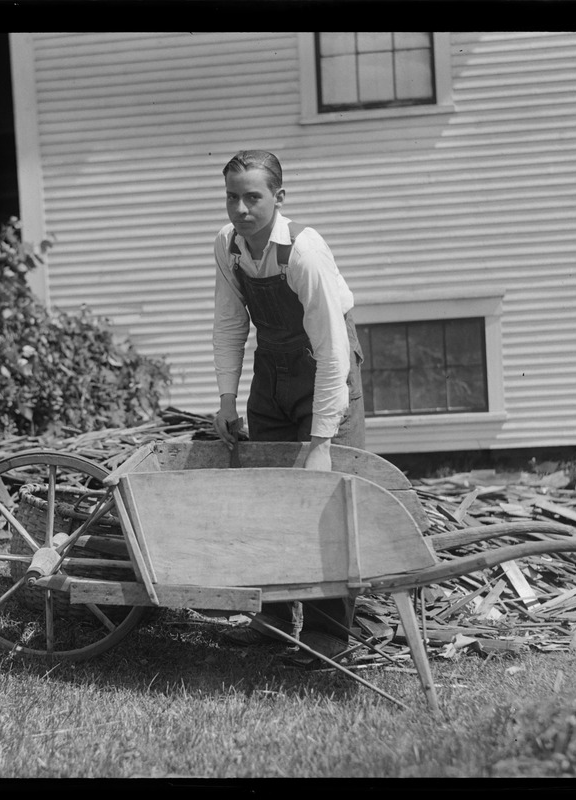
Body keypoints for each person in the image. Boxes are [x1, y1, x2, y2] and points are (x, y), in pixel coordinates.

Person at [212, 150, 365, 665]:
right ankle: (273, 622)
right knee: (268, 496)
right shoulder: (228, 247)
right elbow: (231, 324)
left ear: (279, 197)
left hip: (326, 370)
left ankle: (328, 635)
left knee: (328, 504)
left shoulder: (303, 251)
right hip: (273, 371)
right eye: (233, 197)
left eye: (253, 197)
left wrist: (321, 441)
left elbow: (332, 349)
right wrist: (227, 400)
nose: (242, 209)